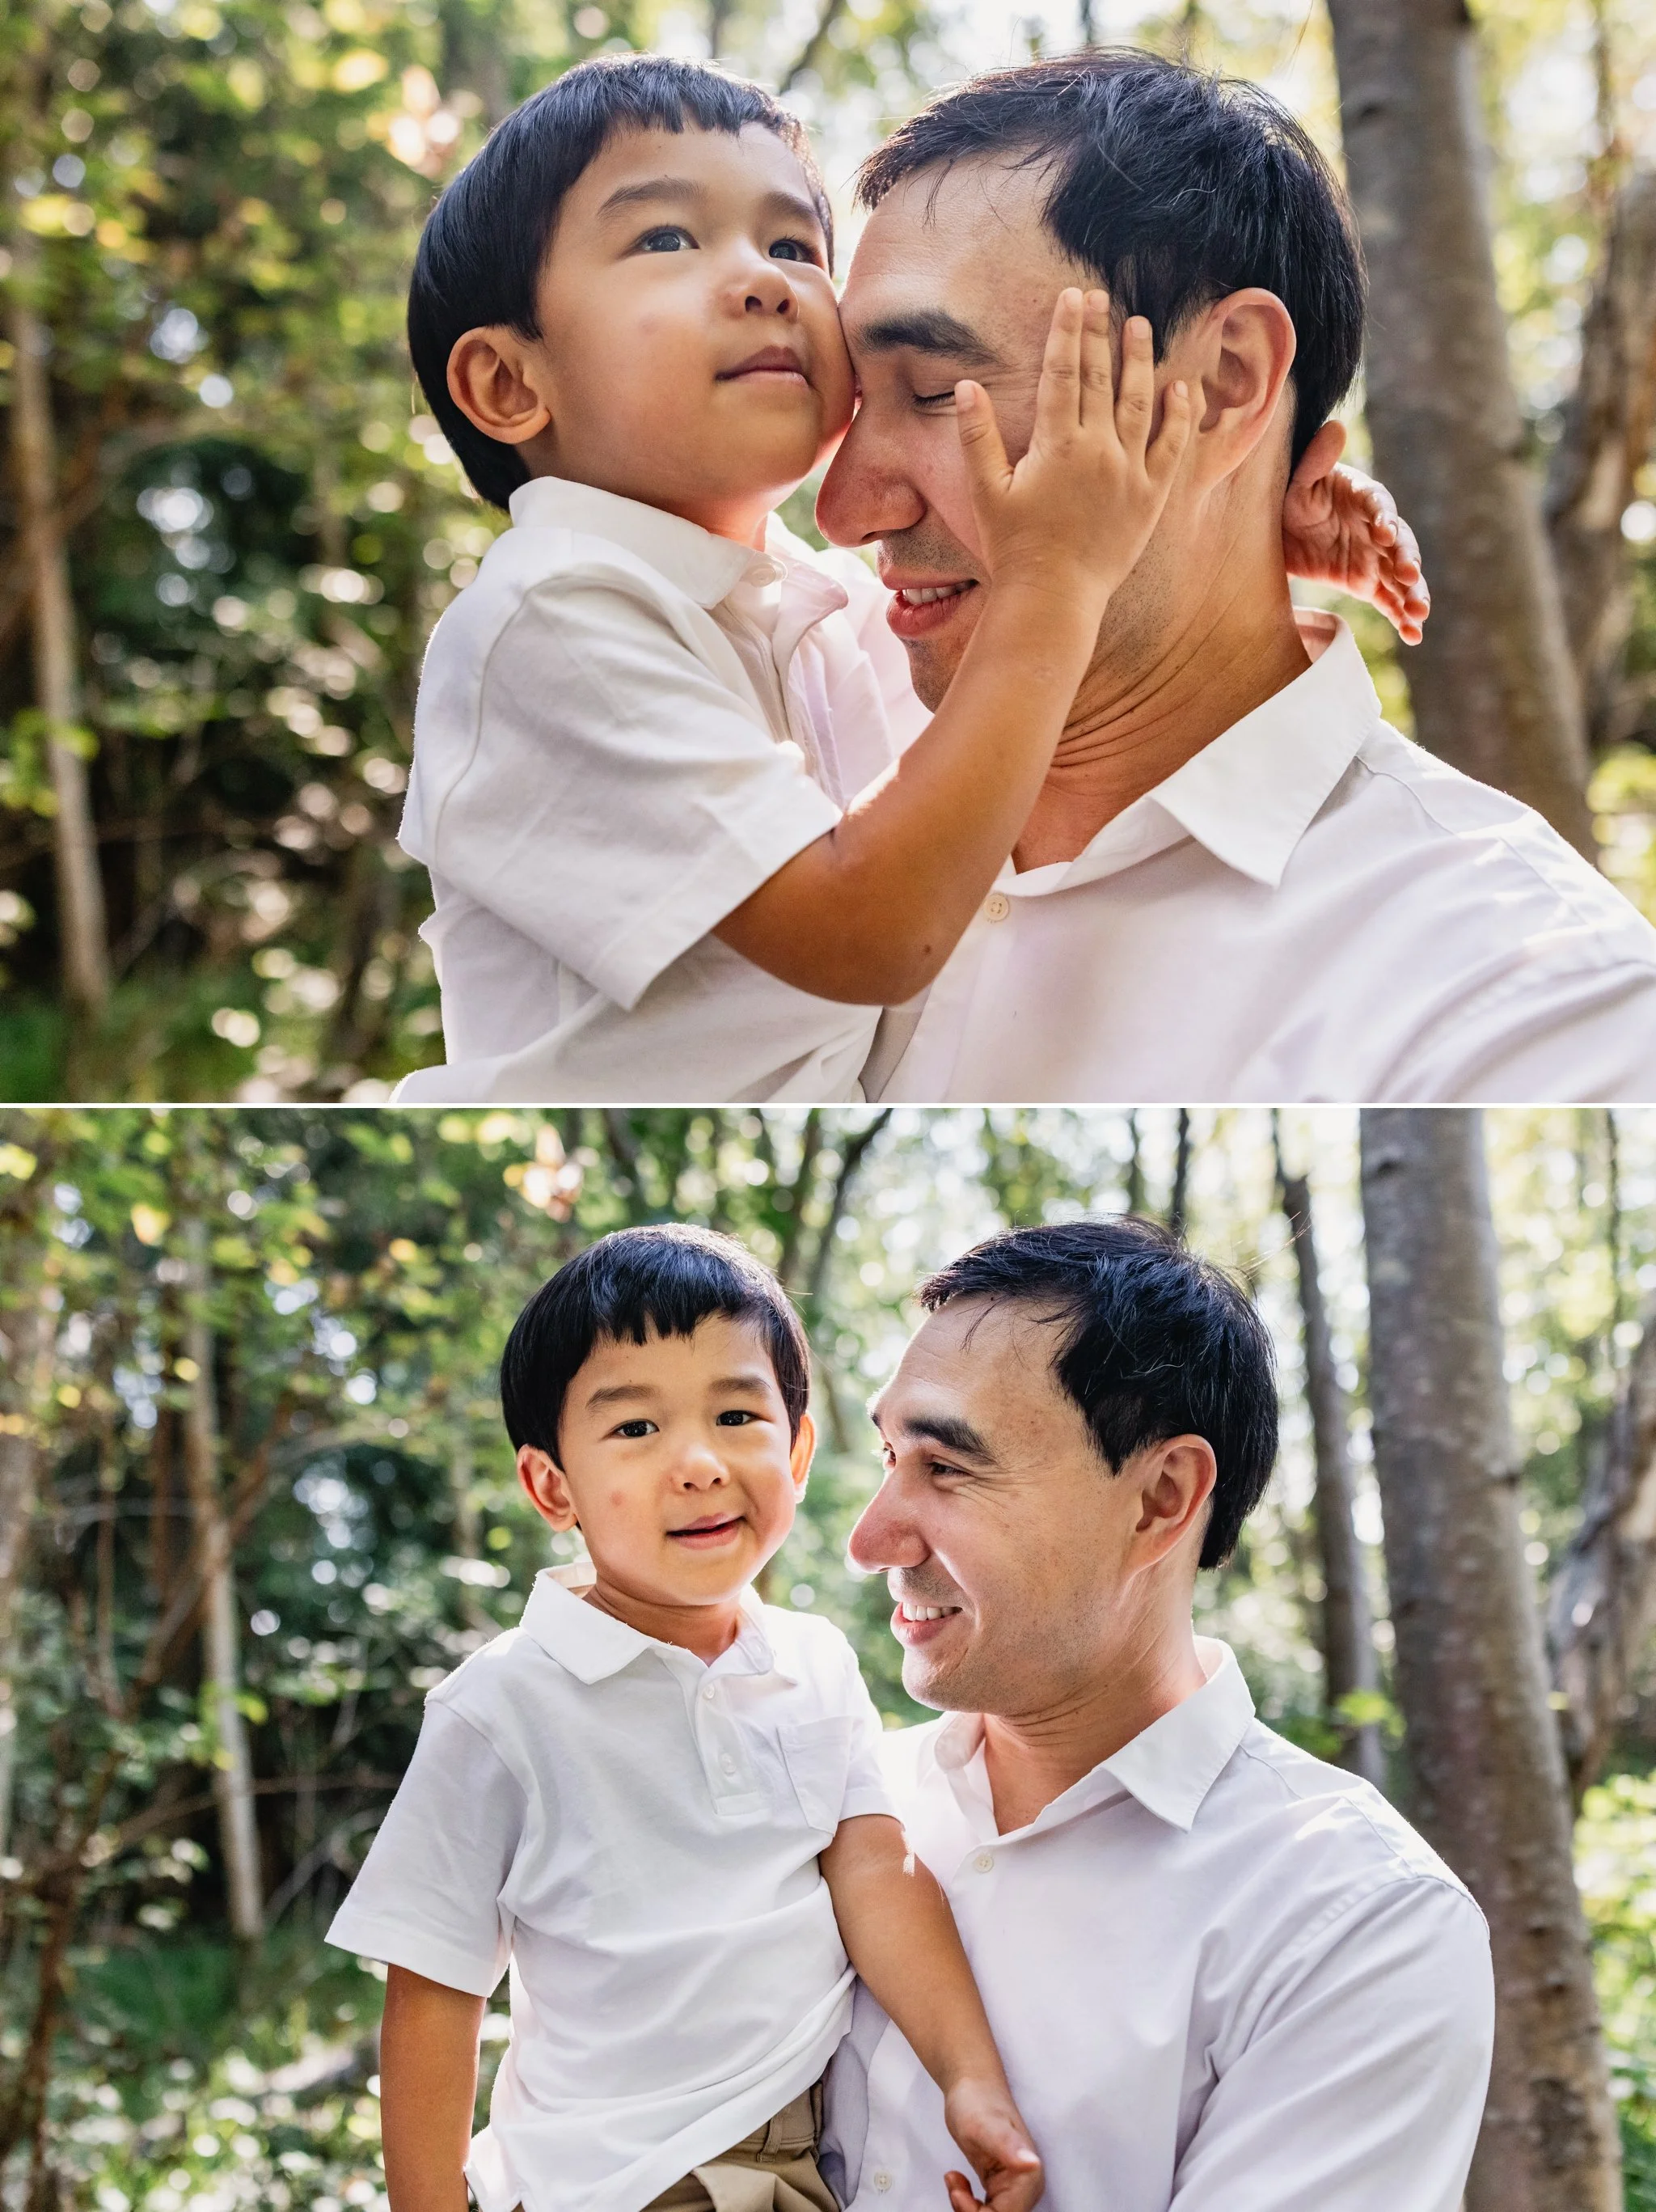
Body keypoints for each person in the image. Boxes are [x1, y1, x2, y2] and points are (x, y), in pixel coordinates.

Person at [391, 53, 1423, 1106]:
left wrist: (1223, 508)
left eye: (793, 245)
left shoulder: (797, 599)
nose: (764, 281)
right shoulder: (545, 621)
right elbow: (867, 928)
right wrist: (1053, 579)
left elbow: (1011, 642)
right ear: (508, 382)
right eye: (665, 238)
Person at [817, 52, 1656, 1104]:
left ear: (1221, 385)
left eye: (937, 391)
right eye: (850, 399)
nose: (843, 510)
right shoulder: (789, 683)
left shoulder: (1525, 1006)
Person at [326, 1225, 1044, 2212]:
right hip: (615, 2182)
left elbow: (878, 1875)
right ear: (551, 1485)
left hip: (801, 2164)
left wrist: (970, 2077)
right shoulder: (500, 1706)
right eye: (634, 1427)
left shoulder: (814, 1662)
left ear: (797, 1450)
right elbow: (432, 1990)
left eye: (737, 1413)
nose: (698, 1462)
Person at [820, 1216, 1496, 2212]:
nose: (869, 1537)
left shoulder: (1356, 1923)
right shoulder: (830, 1802)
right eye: (888, 1455)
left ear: (1159, 1498)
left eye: (948, 1467)